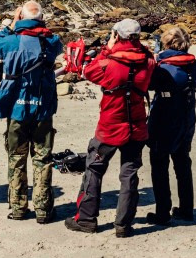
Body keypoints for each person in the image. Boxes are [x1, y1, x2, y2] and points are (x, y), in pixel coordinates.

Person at [66, 19, 157, 238]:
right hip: (136, 125)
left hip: (110, 125)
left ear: (117, 36)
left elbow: (89, 72)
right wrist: (134, 45)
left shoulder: (108, 62)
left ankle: (87, 218)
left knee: (94, 168)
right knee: (130, 174)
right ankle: (123, 224)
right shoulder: (148, 61)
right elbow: (149, 59)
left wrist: (108, 48)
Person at [0, 1, 63, 224]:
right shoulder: (51, 40)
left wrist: (13, 23)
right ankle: (43, 209)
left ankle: (19, 207)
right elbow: (56, 45)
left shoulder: (10, 40)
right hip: (43, 107)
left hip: (17, 107)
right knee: (42, 157)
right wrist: (38, 23)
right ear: (40, 18)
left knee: (16, 157)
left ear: (22, 16)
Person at [146, 27, 196, 225]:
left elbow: (148, 84)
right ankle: (186, 209)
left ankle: (162, 211)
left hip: (165, 118)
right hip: (186, 118)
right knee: (183, 162)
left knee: (159, 164)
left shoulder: (163, 67)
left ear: (167, 44)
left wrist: (155, 58)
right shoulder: (193, 64)